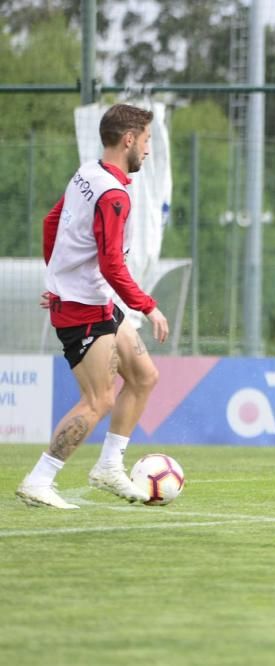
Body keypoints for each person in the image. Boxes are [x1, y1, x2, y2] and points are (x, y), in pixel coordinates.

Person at [15, 103, 170, 509]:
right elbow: (111, 263)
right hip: (85, 310)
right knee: (99, 399)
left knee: (144, 376)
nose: (148, 151)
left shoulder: (88, 173)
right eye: (147, 141)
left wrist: (58, 279)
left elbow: (52, 222)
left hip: (94, 300)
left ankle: (108, 466)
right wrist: (149, 306)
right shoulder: (114, 195)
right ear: (129, 140)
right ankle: (39, 478)